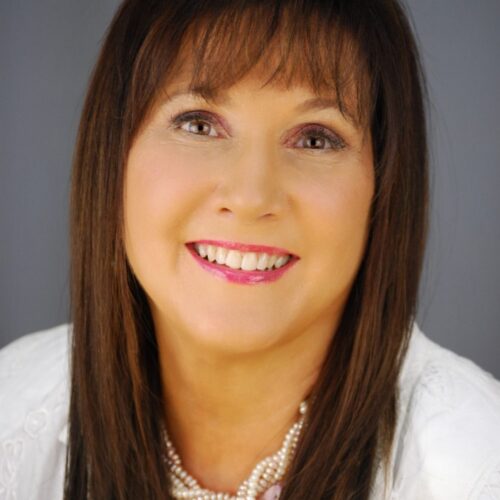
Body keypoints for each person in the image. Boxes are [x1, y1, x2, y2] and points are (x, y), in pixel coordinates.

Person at [0, 0, 499, 499]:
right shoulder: (13, 411)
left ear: (384, 185)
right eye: (198, 124)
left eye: (315, 139)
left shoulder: (476, 467)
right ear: (113, 154)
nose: (251, 196)